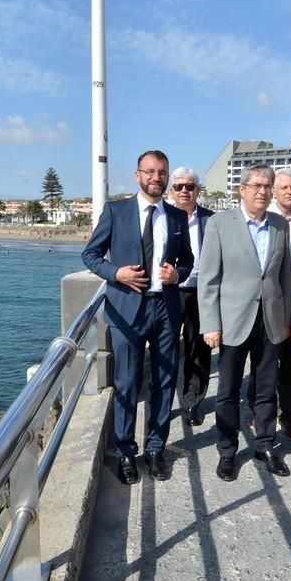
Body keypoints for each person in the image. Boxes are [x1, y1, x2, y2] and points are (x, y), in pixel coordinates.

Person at [81, 150, 194, 485]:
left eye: (162, 173)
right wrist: (117, 273)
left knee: (163, 381)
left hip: (166, 309)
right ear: (137, 175)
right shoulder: (116, 212)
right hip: (127, 308)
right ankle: (127, 451)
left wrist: (178, 274)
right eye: (150, 171)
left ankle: (156, 448)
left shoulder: (175, 217)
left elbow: (186, 260)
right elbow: (90, 254)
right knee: (128, 383)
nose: (156, 178)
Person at [198, 164, 291, 481]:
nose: (263, 191)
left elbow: (285, 277)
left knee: (267, 390)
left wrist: (287, 319)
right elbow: (208, 279)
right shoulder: (219, 223)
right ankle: (227, 452)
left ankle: (265, 445)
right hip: (232, 321)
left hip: (270, 320)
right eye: (257, 186)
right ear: (242, 189)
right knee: (227, 391)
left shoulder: (280, 225)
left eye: (268, 186)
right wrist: (210, 323)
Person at [249, 168, 291, 442]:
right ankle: (259, 411)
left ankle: (287, 415)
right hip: (264, 301)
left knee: (288, 363)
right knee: (260, 362)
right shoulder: (268, 219)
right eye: (284, 187)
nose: (290, 192)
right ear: (274, 191)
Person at [169, 168, 215, 426]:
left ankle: (192, 402)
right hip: (171, 292)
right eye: (179, 186)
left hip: (202, 292)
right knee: (166, 348)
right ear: (171, 191)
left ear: (198, 190)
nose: (184, 190)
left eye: (190, 186)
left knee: (198, 349)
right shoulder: (162, 218)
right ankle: (164, 401)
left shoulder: (212, 219)